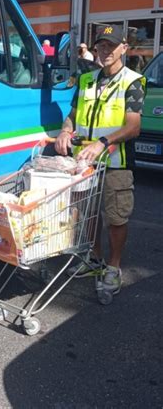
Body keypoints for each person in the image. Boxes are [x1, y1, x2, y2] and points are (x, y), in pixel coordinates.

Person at [55, 24, 145, 295]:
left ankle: (113, 266)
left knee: (115, 217)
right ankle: (93, 259)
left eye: (111, 46)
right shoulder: (86, 79)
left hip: (116, 163)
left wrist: (103, 143)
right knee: (87, 213)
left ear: (123, 49)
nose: (105, 51)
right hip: (84, 162)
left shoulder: (133, 81)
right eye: (101, 46)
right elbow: (73, 113)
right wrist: (65, 130)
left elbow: (133, 126)